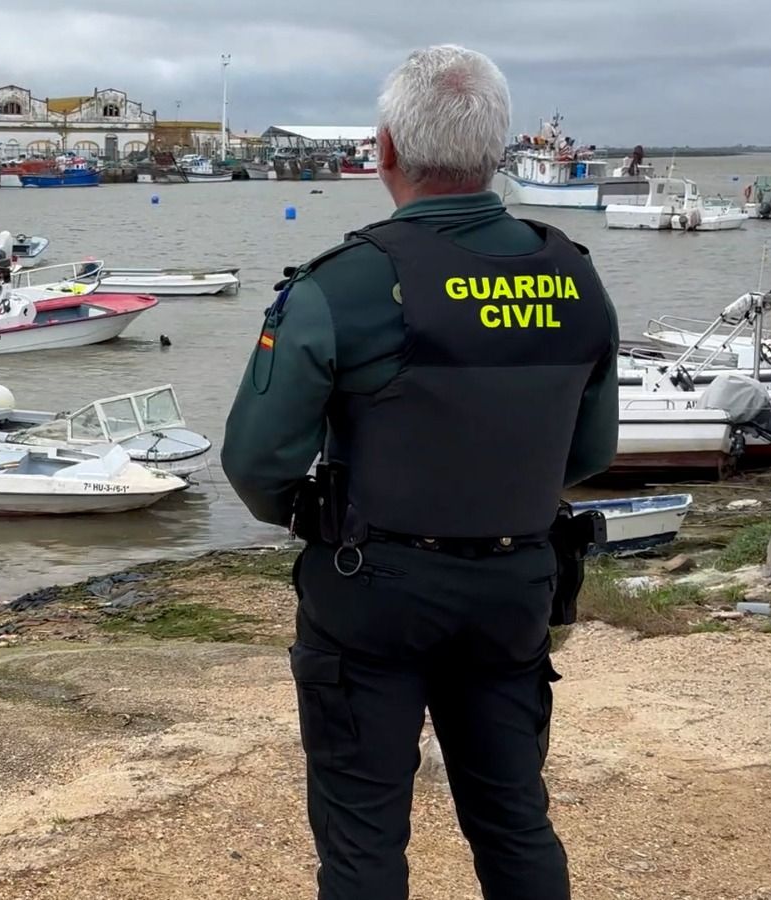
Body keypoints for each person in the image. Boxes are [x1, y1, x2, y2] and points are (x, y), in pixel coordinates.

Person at [221, 45, 618, 900]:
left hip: (374, 588)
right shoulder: (576, 278)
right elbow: (589, 454)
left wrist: (319, 516)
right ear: (497, 147)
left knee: (363, 837)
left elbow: (257, 461)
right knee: (514, 819)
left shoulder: (345, 285)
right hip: (515, 584)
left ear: (385, 149)